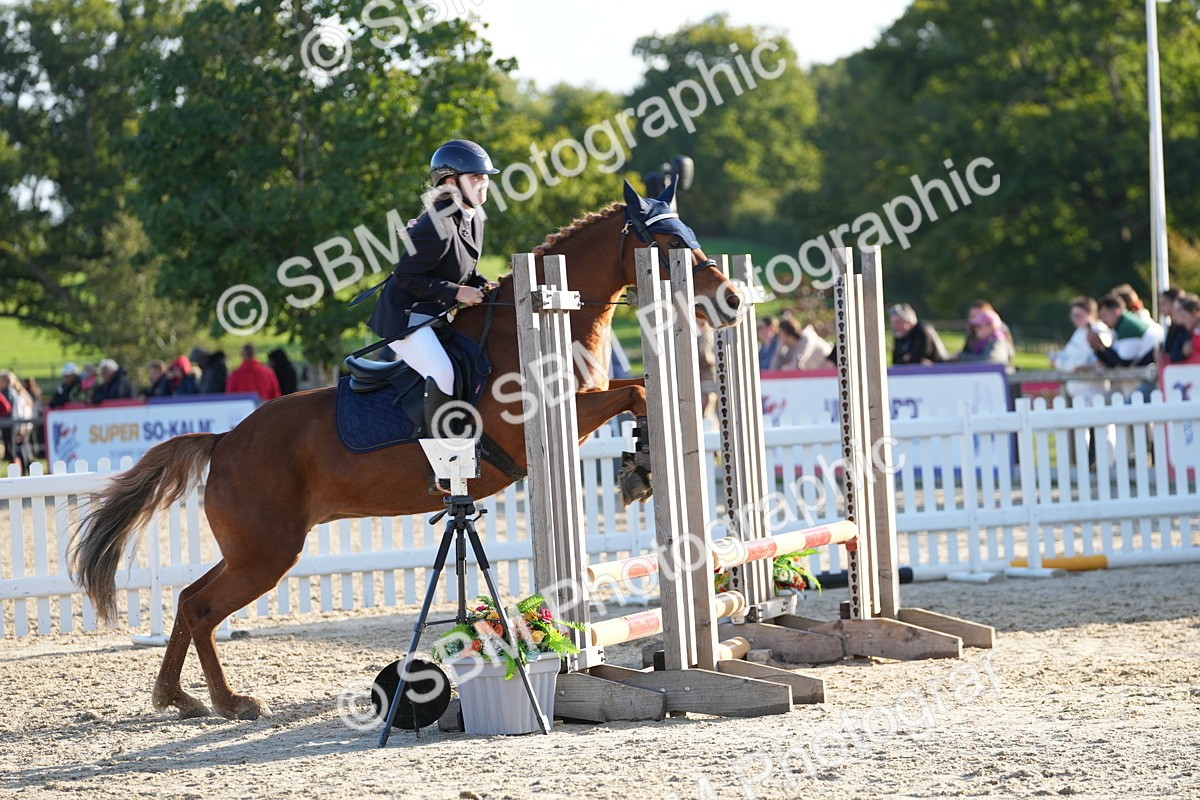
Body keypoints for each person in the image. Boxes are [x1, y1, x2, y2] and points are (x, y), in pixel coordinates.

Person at [366, 139, 498, 430]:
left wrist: (486, 286)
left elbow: (464, 270)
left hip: (434, 315)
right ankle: (442, 447)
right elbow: (406, 277)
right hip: (407, 318)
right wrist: (457, 293)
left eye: (485, 177)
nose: (484, 183)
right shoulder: (435, 225)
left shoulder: (473, 218)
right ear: (451, 183)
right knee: (443, 372)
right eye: (476, 177)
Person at [1049, 297, 1111, 404]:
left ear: (1090, 314)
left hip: (1093, 392)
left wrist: (1089, 366)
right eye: (1073, 316)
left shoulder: (1099, 330)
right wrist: (1057, 359)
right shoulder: (1079, 332)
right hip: (1078, 392)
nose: (1075, 319)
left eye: (1078, 315)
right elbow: (1068, 358)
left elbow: (1104, 355)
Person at [0, 370, 35, 474]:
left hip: (12, 424)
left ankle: (19, 470)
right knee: (16, 449)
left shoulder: (9, 393)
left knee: (13, 450)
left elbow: (9, 409)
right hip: (14, 424)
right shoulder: (10, 392)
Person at [769, 319, 835, 371]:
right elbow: (774, 369)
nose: (779, 338)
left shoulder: (807, 340)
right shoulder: (791, 347)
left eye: (779, 334)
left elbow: (796, 366)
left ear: (784, 333)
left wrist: (785, 369)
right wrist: (778, 350)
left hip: (830, 377)